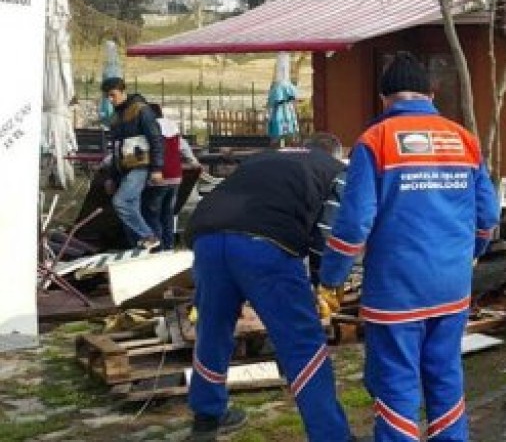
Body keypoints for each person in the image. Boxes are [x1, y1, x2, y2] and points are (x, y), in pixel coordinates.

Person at [318, 52, 499, 442]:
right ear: (431, 93)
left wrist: (331, 276)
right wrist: (471, 253)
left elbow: (354, 222)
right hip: (452, 285)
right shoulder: (464, 139)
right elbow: (488, 215)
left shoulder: (375, 141)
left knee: (397, 382)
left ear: (384, 98)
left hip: (397, 290)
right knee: (445, 375)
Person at [185, 134, 355, 442]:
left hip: (206, 238)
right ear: (337, 153)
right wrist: (324, 283)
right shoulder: (336, 170)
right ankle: (331, 435)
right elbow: (328, 233)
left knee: (213, 329)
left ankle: (206, 418)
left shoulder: (263, 158)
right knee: (303, 343)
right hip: (265, 245)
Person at [100, 77, 164, 250]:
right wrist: (112, 177)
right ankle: (140, 247)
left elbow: (156, 139)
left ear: (123, 92)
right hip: (124, 168)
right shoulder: (116, 117)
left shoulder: (141, 110)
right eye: (107, 97)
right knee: (131, 208)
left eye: (113, 95)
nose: (110, 100)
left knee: (120, 202)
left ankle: (148, 236)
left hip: (140, 165)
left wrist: (157, 168)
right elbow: (115, 150)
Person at [142, 104, 199, 251]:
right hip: (175, 176)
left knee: (152, 214)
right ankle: (169, 246)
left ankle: (157, 248)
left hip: (158, 177)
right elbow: (184, 147)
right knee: (168, 214)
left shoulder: (149, 128)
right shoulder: (172, 128)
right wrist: (193, 161)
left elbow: (137, 148)